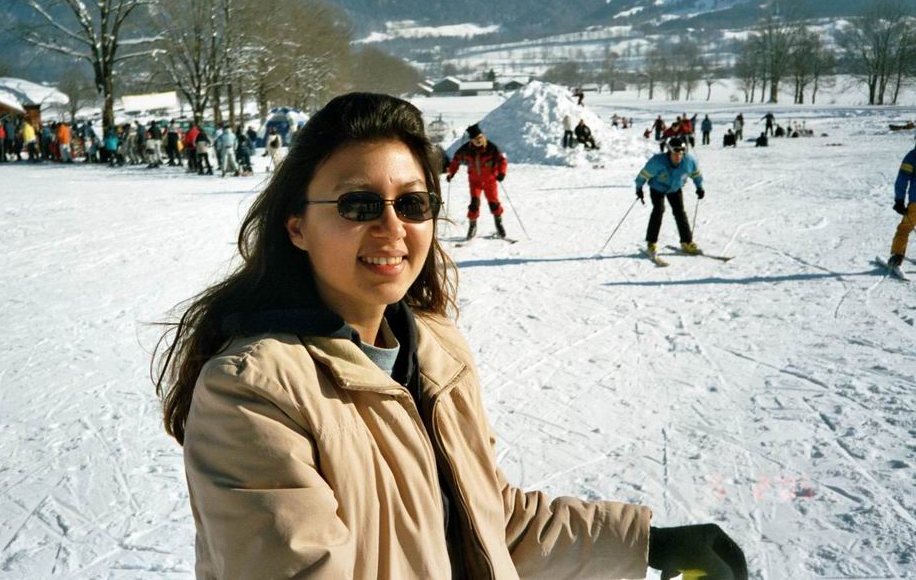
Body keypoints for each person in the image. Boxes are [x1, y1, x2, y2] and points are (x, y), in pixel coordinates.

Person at [152, 92, 747, 580]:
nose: (392, 226)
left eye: (413, 204)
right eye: (358, 205)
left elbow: (487, 523)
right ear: (297, 226)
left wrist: (648, 544)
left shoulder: (434, 350)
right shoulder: (254, 393)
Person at [636, 135, 705, 256]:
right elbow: (643, 174)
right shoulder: (658, 162)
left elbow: (696, 175)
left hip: (675, 189)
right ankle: (651, 243)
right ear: (669, 152)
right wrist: (639, 188)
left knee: (680, 212)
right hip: (657, 188)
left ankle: (686, 242)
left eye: (681, 154)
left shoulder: (689, 161)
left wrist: (699, 187)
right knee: (659, 210)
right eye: (675, 154)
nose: (678, 157)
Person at [446, 122, 508, 239]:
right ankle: (472, 227)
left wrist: (502, 173)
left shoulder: (491, 148)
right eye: (475, 139)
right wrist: (451, 173)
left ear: (483, 136)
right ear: (471, 140)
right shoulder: (466, 149)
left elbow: (502, 161)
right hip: (475, 182)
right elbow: (456, 160)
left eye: (480, 137)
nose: (479, 141)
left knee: (494, 204)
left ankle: (499, 225)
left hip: (490, 181)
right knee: (474, 204)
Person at [886, 134, 916, 268]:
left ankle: (897, 256)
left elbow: (902, 179)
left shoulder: (912, 156)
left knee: (904, 228)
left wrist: (899, 200)